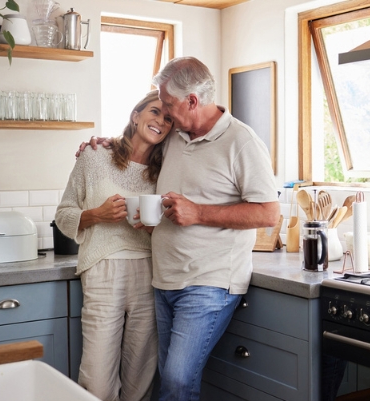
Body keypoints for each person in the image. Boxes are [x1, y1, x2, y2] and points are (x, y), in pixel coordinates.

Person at [82, 56, 280, 401]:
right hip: (164, 279)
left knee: (176, 381)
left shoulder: (241, 142)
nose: (166, 113)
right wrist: (103, 144)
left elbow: (268, 214)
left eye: (169, 105)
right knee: (167, 379)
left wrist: (198, 212)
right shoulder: (176, 135)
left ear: (192, 100)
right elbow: (138, 143)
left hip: (210, 282)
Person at [55, 90, 173, 401]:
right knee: (96, 382)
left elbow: (169, 227)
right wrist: (96, 215)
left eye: (168, 118)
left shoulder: (166, 172)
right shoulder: (94, 157)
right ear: (136, 116)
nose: (161, 121)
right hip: (102, 270)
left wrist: (150, 226)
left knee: (140, 380)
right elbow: (63, 214)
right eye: (154, 112)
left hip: (149, 272)